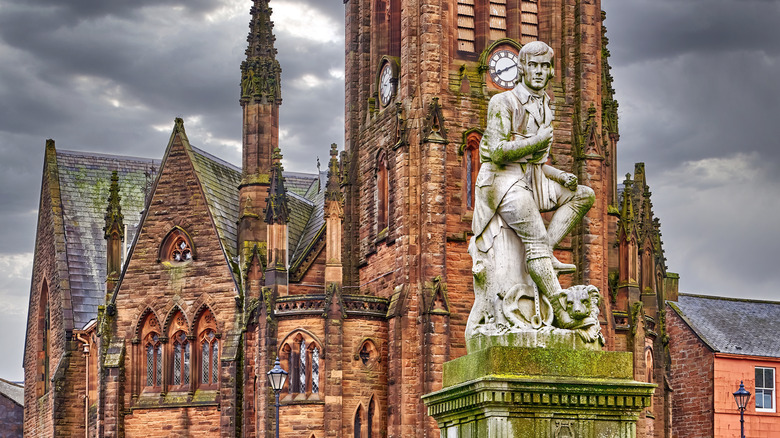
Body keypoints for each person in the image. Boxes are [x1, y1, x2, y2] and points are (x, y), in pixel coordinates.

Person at [471, 41, 595, 317]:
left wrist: (560, 175)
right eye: (533, 65)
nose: (539, 71)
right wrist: (537, 141)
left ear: (550, 71)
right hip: (502, 180)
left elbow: (537, 162)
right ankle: (562, 312)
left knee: (584, 195)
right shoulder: (502, 102)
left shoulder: (546, 105)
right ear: (522, 68)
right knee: (535, 239)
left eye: (544, 66)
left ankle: (544, 253)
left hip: (532, 176)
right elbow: (497, 152)